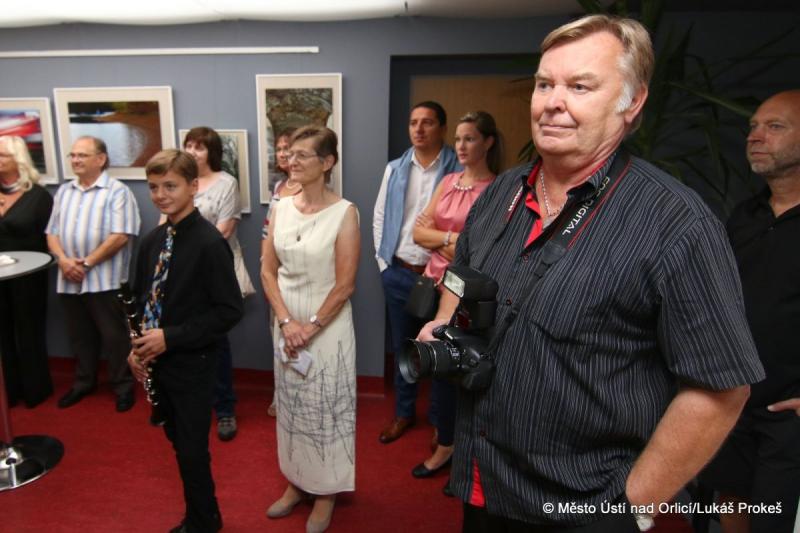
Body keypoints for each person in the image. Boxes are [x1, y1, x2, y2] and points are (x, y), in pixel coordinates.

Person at [417, 15, 765, 532]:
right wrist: (444, 323)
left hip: (588, 507)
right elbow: (461, 279)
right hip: (483, 486)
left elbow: (721, 389)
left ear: (632, 102)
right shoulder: (498, 196)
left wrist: (632, 510)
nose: (553, 102)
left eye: (580, 86)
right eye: (544, 84)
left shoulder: (676, 224)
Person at [700, 90, 800, 533]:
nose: (755, 137)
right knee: (730, 508)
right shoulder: (745, 216)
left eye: (774, 127)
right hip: (733, 402)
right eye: (753, 126)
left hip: (788, 416)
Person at [128, 149, 243, 533]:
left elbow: (228, 311)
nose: (160, 195)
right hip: (158, 361)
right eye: (153, 187)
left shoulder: (210, 243)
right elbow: (142, 300)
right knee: (177, 441)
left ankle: (203, 521)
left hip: (193, 362)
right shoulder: (152, 241)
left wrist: (170, 337)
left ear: (193, 187)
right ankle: (204, 516)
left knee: (192, 451)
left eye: (170, 186)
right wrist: (136, 346)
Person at [261, 126, 359, 533]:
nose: (292, 160)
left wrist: (310, 327)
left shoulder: (345, 212)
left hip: (327, 326)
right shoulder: (280, 207)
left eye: (303, 155)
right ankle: (297, 481)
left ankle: (325, 493)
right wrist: (287, 322)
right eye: (290, 154)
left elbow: (345, 284)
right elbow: (267, 270)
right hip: (286, 324)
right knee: (291, 405)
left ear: (327, 162)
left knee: (325, 410)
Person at [409, 112, 501, 492]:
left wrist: (442, 240)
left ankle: (459, 452)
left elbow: (484, 251)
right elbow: (418, 232)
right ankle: (445, 441)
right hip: (434, 288)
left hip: (466, 297)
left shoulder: (496, 190)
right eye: (459, 139)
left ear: (488, 143)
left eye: (470, 138)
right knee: (436, 370)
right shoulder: (447, 181)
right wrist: (456, 241)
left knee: (461, 375)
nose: (461, 146)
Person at [373, 101, 462, 444]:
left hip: (442, 278)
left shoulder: (458, 170)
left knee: (440, 351)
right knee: (404, 348)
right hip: (399, 272)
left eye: (427, 122)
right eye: (413, 123)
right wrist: (383, 265)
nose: (419, 129)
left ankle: (441, 423)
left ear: (442, 128)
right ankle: (404, 413)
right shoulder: (394, 169)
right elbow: (380, 216)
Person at [46, 135, 140, 412]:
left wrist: (85, 264)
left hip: (105, 280)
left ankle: (122, 387)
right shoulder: (64, 192)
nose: (75, 160)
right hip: (68, 278)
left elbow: (121, 235)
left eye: (82, 155)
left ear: (101, 159)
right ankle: (84, 382)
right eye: (73, 155)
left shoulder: (117, 191)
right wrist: (64, 261)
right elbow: (51, 233)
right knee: (80, 336)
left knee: (115, 338)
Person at [183, 126, 254, 441]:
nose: (192, 152)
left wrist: (188, 252)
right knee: (183, 339)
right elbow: (165, 223)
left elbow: (223, 231)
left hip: (212, 273)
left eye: (199, 147)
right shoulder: (180, 180)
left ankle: (224, 408)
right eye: (188, 145)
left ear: (211, 152)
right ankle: (188, 403)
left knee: (215, 341)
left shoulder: (227, 183)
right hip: (181, 274)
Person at [0, 135, 53, 408]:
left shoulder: (38, 196)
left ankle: (35, 388)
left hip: (28, 277)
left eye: (3, 155)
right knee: (2, 334)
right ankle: (8, 390)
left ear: (18, 159)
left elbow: (49, 237)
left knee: (29, 330)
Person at [260, 127, 300, 418]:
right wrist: (266, 268)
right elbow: (267, 233)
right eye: (280, 148)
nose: (284, 153)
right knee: (277, 335)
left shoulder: (309, 190)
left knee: (299, 336)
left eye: (289, 148)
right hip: (273, 274)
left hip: (296, 276)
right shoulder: (278, 188)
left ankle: (298, 394)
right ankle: (280, 393)